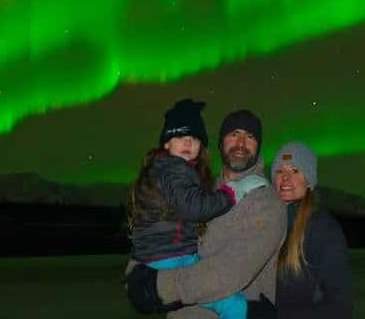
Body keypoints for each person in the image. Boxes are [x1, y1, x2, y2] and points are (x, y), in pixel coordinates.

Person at [127, 109, 287, 319]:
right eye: (234, 134)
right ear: (220, 143)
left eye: (250, 137)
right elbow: (158, 229)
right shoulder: (199, 191)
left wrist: (157, 287)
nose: (241, 143)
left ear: (258, 146)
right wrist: (137, 269)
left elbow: (228, 273)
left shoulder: (267, 202)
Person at [271, 141, 353, 318]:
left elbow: (340, 306)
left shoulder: (323, 228)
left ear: (308, 181)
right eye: (279, 170)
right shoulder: (266, 225)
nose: (285, 178)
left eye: (294, 171)